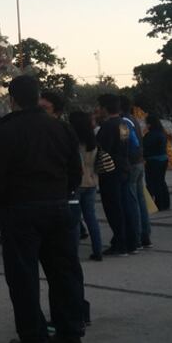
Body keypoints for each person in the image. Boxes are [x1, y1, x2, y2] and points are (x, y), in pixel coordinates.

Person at [0, 75, 85, 343]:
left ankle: (33, 338)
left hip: (21, 209)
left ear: (13, 99)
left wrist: (0, 209)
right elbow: (75, 171)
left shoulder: (7, 131)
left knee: (24, 277)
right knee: (65, 271)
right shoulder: (61, 128)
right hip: (58, 205)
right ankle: (70, 330)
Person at [95, 94, 138, 256]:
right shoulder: (123, 124)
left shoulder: (107, 127)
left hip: (110, 171)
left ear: (105, 108)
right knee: (126, 205)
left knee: (114, 207)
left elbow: (100, 148)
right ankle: (131, 241)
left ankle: (120, 242)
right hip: (124, 167)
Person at [70, 111, 104, 261]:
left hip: (76, 184)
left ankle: (73, 253)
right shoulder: (93, 141)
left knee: (75, 220)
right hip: (91, 182)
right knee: (91, 217)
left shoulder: (73, 143)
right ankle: (98, 250)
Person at [120, 96, 151, 249]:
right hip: (139, 162)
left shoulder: (124, 122)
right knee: (140, 200)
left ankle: (136, 237)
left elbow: (128, 142)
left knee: (132, 202)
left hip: (131, 163)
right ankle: (146, 235)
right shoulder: (134, 120)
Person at [143, 114, 171, 211]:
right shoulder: (161, 133)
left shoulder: (150, 135)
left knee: (153, 182)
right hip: (163, 159)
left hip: (153, 160)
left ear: (150, 124)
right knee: (161, 181)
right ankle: (165, 203)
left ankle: (158, 203)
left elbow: (145, 146)